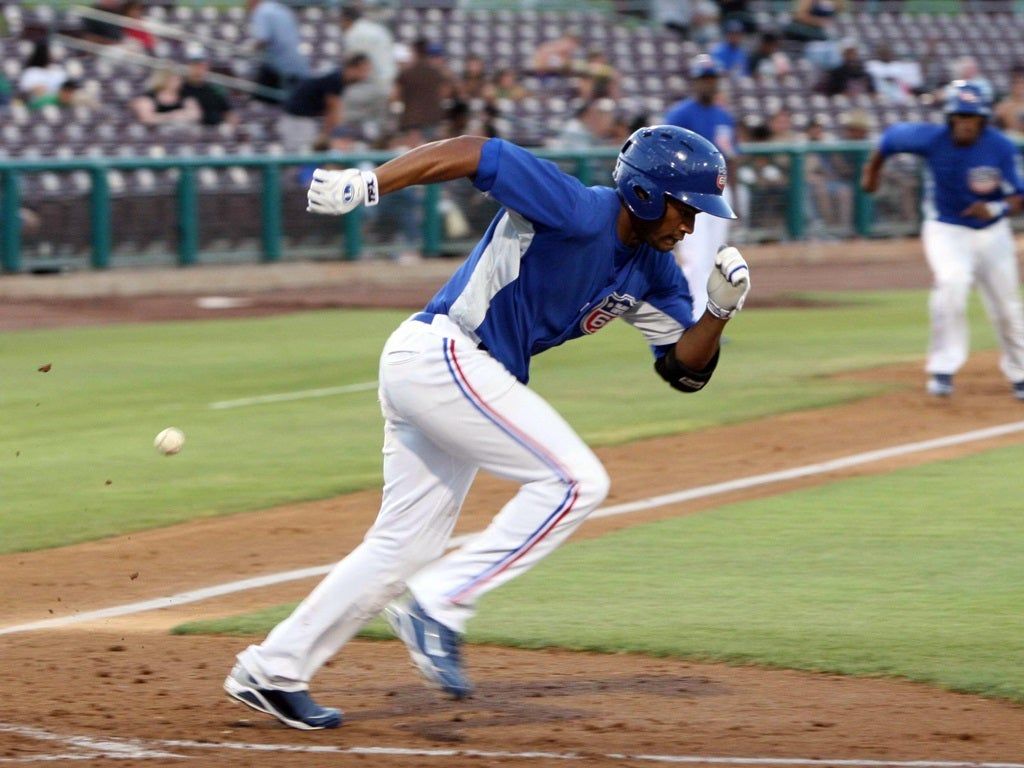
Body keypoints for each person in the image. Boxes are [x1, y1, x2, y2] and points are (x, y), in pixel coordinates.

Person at [223, 125, 751, 730]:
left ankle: (273, 670)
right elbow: (475, 152)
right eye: (687, 209)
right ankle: (441, 604)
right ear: (646, 194)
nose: (691, 225)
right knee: (575, 482)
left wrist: (718, 312)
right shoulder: (578, 209)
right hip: (444, 355)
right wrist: (370, 183)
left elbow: (683, 371)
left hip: (452, 376)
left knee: (406, 547)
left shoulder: (653, 271)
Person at [861, 81, 1024, 400]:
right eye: (959, 116)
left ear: (983, 120)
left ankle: (1020, 373)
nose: (964, 123)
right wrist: (872, 172)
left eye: (971, 117)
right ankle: (943, 369)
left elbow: (1019, 195)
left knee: (1006, 306)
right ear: (949, 118)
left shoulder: (1000, 147)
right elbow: (890, 139)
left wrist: (995, 207)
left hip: (992, 232)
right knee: (951, 284)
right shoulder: (932, 138)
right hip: (947, 228)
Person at [663, 54, 738, 319]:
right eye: (704, 78)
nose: (708, 83)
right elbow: (666, 156)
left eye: (712, 78)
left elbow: (732, 157)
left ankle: (705, 319)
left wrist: (735, 197)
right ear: (694, 82)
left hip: (720, 191)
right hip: (691, 193)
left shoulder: (724, 117)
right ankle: (691, 318)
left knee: (713, 258)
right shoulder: (680, 114)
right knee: (695, 258)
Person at [279, 54, 372, 153]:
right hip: (298, 119)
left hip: (303, 118)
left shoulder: (337, 76)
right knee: (300, 152)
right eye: (364, 70)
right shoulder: (336, 79)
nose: (365, 75)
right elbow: (332, 110)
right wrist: (329, 136)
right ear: (353, 68)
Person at [247, 0, 310, 98]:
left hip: (280, 66)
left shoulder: (262, 11)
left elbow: (262, 39)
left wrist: (248, 51)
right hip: (296, 64)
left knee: (260, 96)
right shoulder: (282, 9)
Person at [181, 51, 235, 127]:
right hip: (188, 129)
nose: (198, 69)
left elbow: (229, 113)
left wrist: (229, 126)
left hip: (214, 129)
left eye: (201, 66)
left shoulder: (214, 90)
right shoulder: (180, 88)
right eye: (195, 65)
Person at [130, 70, 201, 127]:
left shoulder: (185, 97)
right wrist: (172, 116)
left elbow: (196, 115)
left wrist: (160, 118)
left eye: (179, 80)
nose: (178, 83)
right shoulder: (148, 97)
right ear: (164, 80)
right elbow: (147, 119)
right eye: (173, 80)